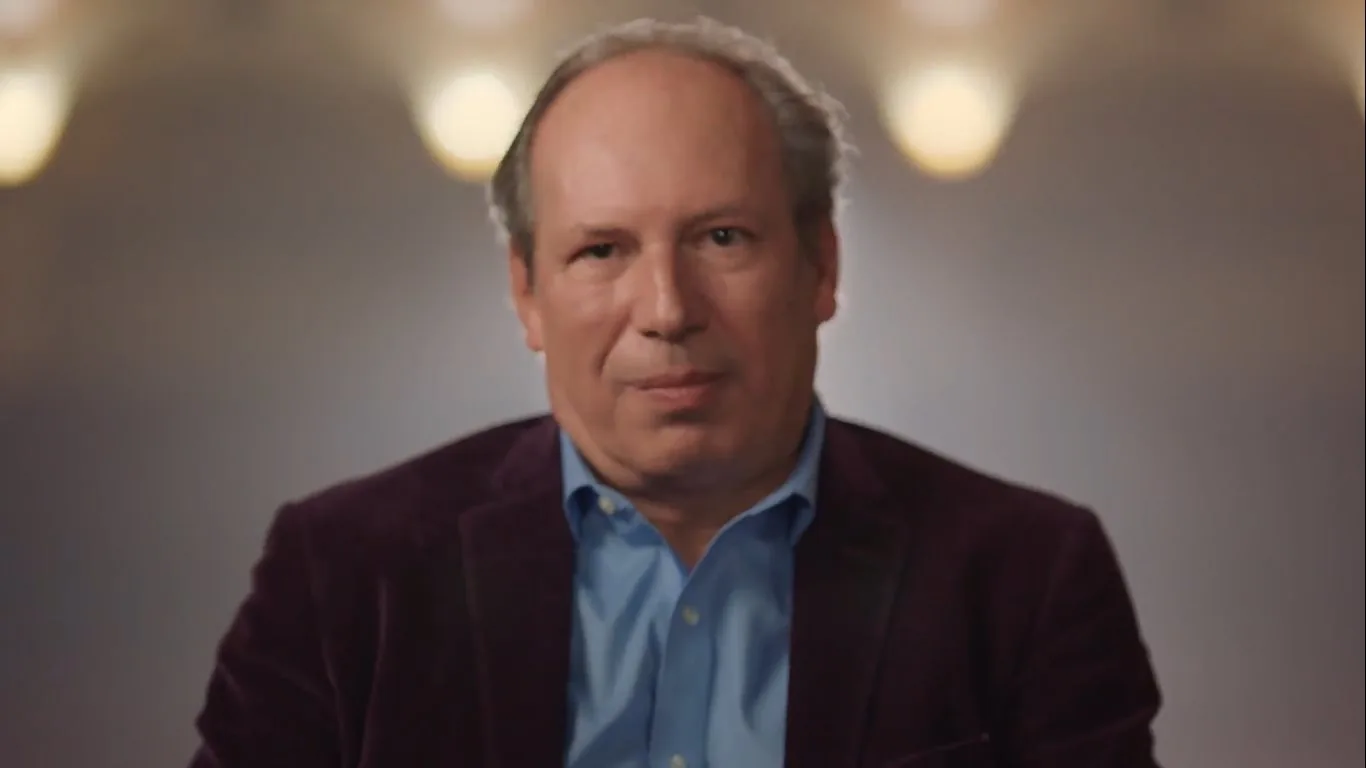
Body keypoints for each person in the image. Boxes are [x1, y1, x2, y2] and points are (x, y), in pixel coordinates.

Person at [189, 16, 1163, 768]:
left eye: (721, 239)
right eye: (601, 250)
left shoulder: (1025, 579)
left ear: (819, 266)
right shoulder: (344, 575)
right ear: (526, 294)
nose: (665, 308)